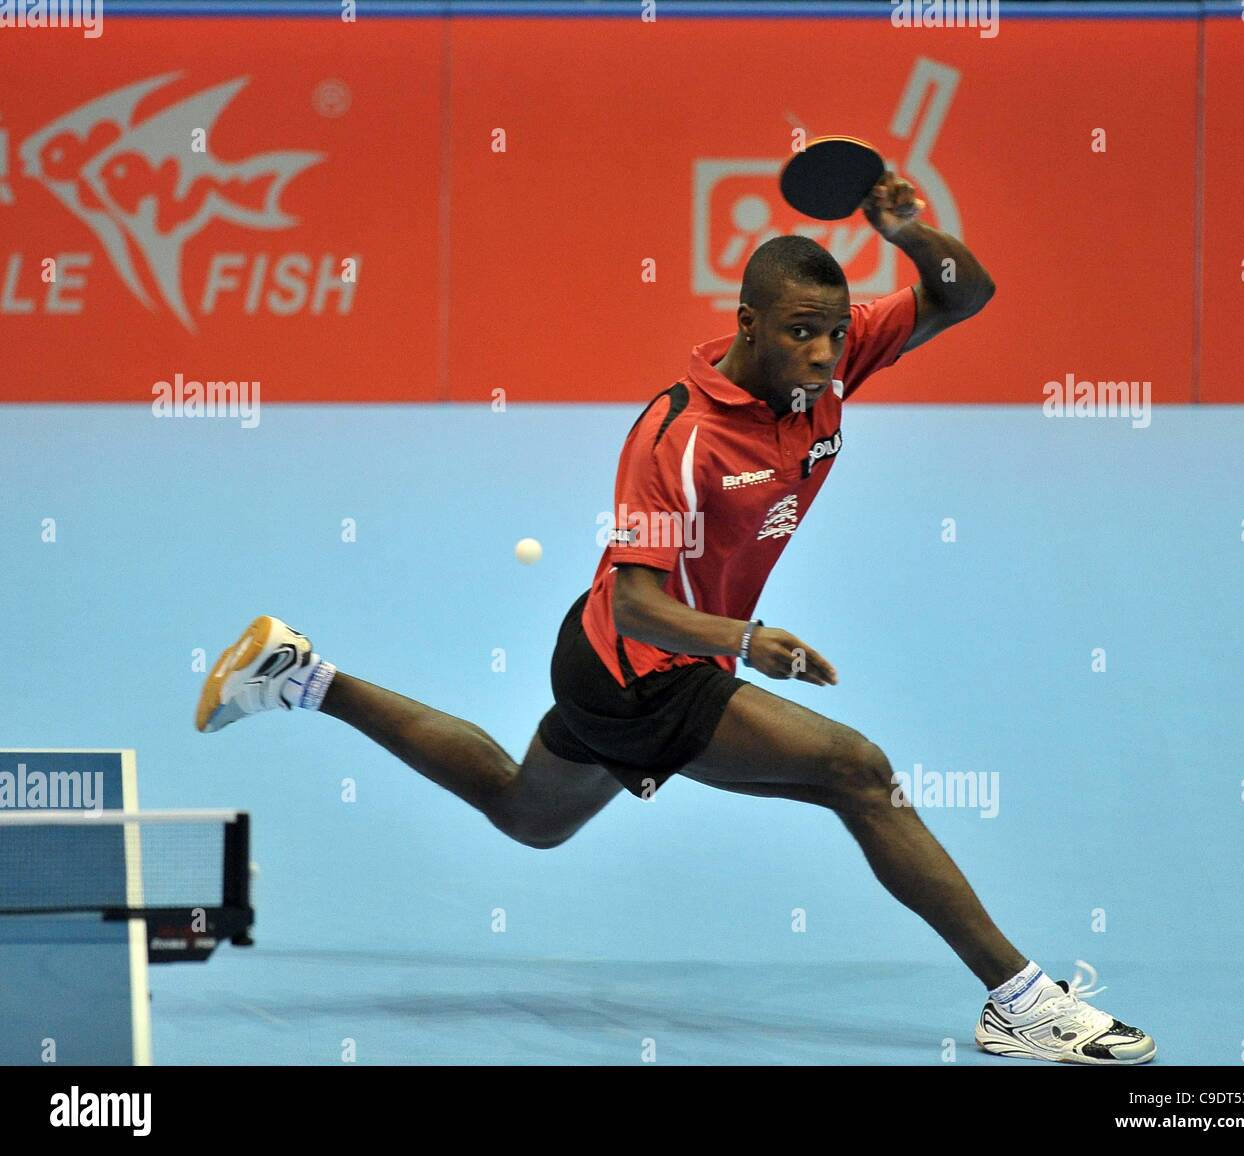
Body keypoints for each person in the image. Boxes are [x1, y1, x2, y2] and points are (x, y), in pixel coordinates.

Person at [195, 172, 1155, 1065]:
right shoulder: (678, 435)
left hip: (627, 661)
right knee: (858, 774)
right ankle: (1020, 1001)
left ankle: (299, 676)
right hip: (642, 669)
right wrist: (746, 642)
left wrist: (905, 231)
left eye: (832, 335)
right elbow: (636, 597)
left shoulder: (822, 367)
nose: (824, 356)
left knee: (524, 814)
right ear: (749, 322)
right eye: (800, 335)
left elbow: (964, 294)